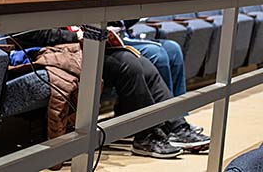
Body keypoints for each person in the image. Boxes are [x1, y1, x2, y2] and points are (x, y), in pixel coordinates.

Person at [14, 28, 209, 158]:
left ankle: (175, 125)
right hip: (56, 52)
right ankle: (146, 135)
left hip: (84, 46)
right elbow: (32, 34)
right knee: (128, 63)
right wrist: (78, 36)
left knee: (144, 64)